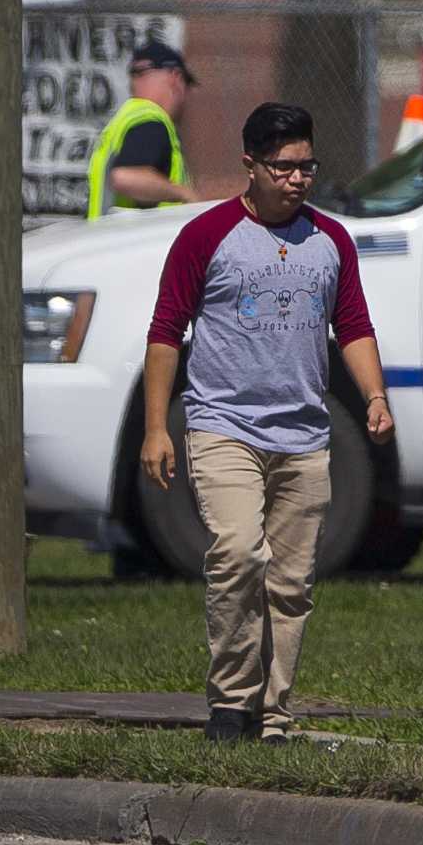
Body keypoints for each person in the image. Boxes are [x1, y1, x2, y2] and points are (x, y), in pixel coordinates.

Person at [139, 102, 393, 743]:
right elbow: (167, 330)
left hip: (305, 433)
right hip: (223, 424)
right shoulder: (207, 236)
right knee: (236, 554)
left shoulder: (330, 240)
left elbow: (354, 326)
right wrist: (155, 427)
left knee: (290, 581)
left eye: (307, 165)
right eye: (283, 167)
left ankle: (273, 714)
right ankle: (230, 702)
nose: (297, 178)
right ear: (249, 165)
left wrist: (374, 396)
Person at [86, 40, 202, 219]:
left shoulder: (126, 119)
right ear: (175, 77)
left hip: (108, 240)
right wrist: (183, 193)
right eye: (186, 85)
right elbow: (125, 177)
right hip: (135, 244)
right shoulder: (152, 121)